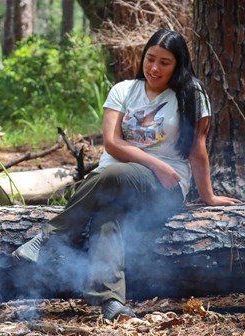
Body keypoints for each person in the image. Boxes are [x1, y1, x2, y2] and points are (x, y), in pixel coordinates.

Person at [12, 29, 241, 320]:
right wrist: (155, 162)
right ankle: (110, 302)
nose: (154, 68)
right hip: (118, 179)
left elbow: (197, 149)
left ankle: (49, 237)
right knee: (109, 213)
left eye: (165, 62)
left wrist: (207, 196)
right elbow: (112, 143)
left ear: (179, 64)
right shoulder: (124, 90)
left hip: (163, 187)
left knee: (114, 176)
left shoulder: (192, 95)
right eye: (150, 59)